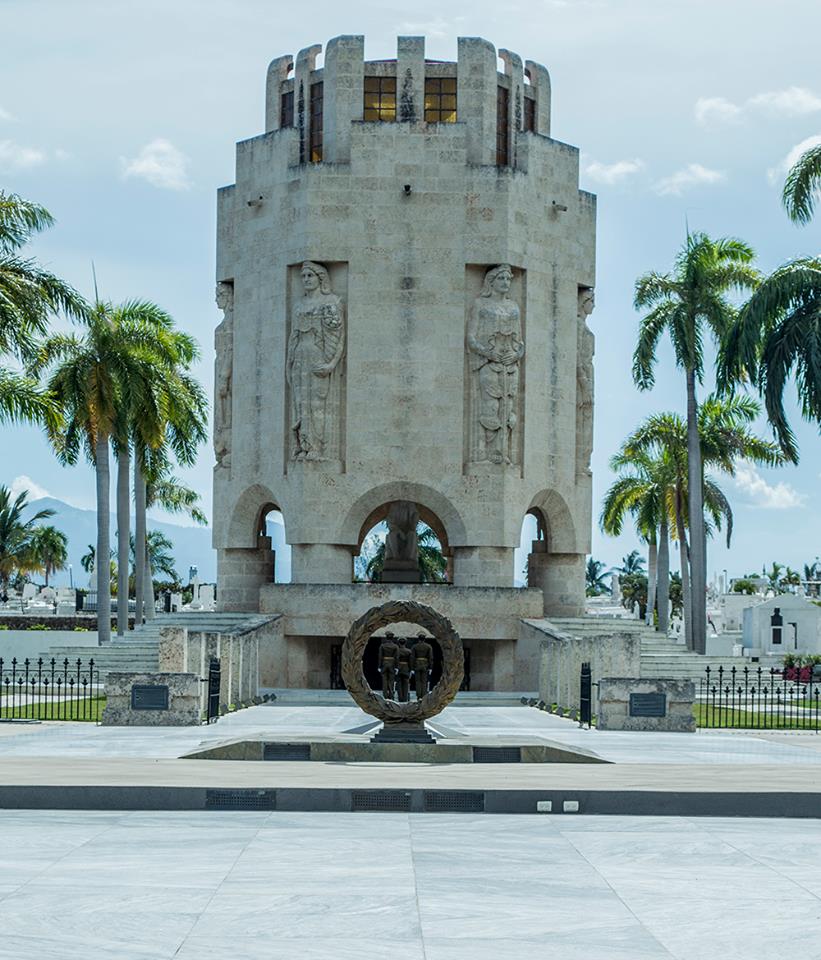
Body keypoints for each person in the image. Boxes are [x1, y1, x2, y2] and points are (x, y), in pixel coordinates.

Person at [286, 261, 345, 460]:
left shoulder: (331, 302)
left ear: (320, 278)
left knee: (317, 403)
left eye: (310, 276)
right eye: (303, 277)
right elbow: (293, 336)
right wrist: (289, 363)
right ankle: (304, 445)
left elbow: (338, 337)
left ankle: (318, 447)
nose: (306, 280)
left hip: (318, 357)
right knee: (301, 404)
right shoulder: (298, 305)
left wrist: (331, 364)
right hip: (300, 358)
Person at [467, 264, 524, 464]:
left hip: (510, 367)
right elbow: (471, 338)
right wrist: (488, 353)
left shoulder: (514, 307)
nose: (506, 283)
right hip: (488, 364)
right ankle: (484, 454)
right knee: (490, 407)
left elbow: (520, 343)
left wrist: (516, 355)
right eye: (501, 279)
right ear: (491, 282)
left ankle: (503, 453)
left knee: (507, 410)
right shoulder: (480, 304)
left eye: (508, 279)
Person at [411, 633, 433, 700]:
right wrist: (430, 667)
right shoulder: (428, 646)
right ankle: (423, 695)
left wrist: (412, 668)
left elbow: (412, 657)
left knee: (418, 681)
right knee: (424, 681)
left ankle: (418, 696)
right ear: (424, 639)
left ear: (418, 638)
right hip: (425, 665)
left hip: (417, 664)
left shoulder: (415, 646)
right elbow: (430, 657)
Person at [378, 632, 399, 699]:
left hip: (384, 663)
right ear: (392, 638)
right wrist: (397, 667)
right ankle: (391, 695)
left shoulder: (382, 646)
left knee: (384, 680)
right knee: (391, 680)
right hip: (392, 664)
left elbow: (380, 656)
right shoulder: (395, 646)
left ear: (386, 637)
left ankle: (385, 696)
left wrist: (379, 666)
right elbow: (397, 657)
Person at [395, 637, 412, 702]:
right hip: (406, 668)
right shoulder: (409, 651)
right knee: (406, 684)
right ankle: (405, 698)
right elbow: (410, 661)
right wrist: (410, 669)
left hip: (398, 668)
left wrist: (396, 667)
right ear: (405, 642)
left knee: (399, 684)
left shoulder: (397, 651)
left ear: (399, 643)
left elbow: (396, 660)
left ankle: (400, 698)